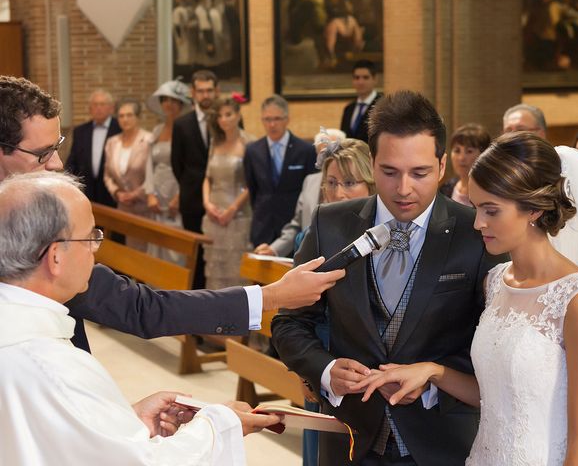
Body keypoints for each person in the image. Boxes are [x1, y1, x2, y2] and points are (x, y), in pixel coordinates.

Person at [0, 75, 345, 355]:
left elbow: (142, 307)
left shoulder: (43, 220)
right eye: (44, 153)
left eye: (58, 146)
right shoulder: (38, 230)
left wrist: (271, 296)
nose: (58, 163)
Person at [353, 133, 578, 465]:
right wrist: (432, 371)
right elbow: (497, 395)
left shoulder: (577, 299)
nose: (478, 223)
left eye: (491, 211)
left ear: (532, 209)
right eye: (476, 208)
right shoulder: (495, 282)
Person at [272, 90, 503, 465]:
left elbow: (494, 344)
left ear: (442, 166)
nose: (404, 188)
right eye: (390, 172)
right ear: (372, 162)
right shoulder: (330, 225)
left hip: (442, 442)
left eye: (420, 173)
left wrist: (434, 382)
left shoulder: (476, 234)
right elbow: (290, 322)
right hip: (350, 440)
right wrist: (326, 370)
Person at [0, 171, 282, 465]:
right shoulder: (53, 366)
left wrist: (126, 419)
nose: (95, 250)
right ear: (56, 257)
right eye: (90, 237)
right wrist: (220, 423)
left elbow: (52, 436)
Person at [300, 134, 376, 466]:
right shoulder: (317, 232)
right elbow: (300, 312)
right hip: (325, 356)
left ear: (371, 184)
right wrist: (306, 369)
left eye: (349, 182)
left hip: (369, 358)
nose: (338, 192)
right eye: (331, 183)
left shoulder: (386, 232)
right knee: (327, 449)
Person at [254, 128, 345, 258]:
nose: (327, 159)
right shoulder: (310, 181)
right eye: (322, 154)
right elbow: (297, 226)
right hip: (309, 260)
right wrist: (274, 249)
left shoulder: (352, 185)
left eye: (332, 153)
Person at [243, 95, 317, 247]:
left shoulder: (305, 150)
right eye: (267, 119)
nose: (272, 124)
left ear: (287, 119)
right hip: (263, 225)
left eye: (277, 119)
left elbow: (311, 190)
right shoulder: (252, 151)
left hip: (293, 226)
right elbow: (253, 189)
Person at [171, 69, 219, 288]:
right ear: (193, 93)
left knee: (219, 253)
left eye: (209, 90)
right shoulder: (182, 124)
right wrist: (192, 185)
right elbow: (176, 164)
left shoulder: (227, 117)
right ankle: (198, 300)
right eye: (201, 91)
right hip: (192, 200)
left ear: (216, 91)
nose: (205, 95)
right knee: (197, 257)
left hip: (221, 198)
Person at [201, 97, 256, 289]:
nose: (224, 120)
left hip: (238, 215)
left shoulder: (250, 142)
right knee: (216, 270)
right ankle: (214, 317)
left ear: (238, 115)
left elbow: (252, 183)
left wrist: (232, 209)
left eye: (228, 114)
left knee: (237, 270)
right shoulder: (215, 142)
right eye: (220, 116)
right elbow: (208, 177)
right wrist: (207, 204)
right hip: (214, 215)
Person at [144, 79, 192, 264]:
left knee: (177, 248)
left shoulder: (187, 131)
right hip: (158, 194)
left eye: (173, 100)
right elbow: (150, 164)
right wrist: (150, 194)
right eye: (164, 100)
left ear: (181, 104)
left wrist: (180, 197)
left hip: (177, 192)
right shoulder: (157, 131)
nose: (168, 105)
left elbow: (189, 167)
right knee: (158, 246)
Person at [103, 98, 152, 250]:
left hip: (145, 208)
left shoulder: (149, 140)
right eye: (121, 115)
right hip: (123, 208)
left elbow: (153, 176)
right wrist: (117, 192)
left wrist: (135, 194)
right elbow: (107, 175)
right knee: (127, 253)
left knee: (145, 254)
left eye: (129, 115)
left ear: (137, 117)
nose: (125, 119)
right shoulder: (112, 142)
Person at [65, 89, 121, 207]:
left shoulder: (120, 129)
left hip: (114, 193)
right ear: (90, 109)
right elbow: (72, 161)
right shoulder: (80, 131)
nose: (98, 108)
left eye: (102, 104)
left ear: (111, 108)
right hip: (87, 193)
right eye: (95, 105)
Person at [439, 123, 491, 206]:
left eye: (469, 151)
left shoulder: (492, 192)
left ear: (484, 154)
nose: (461, 158)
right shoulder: (446, 188)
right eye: (457, 151)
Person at [339, 59, 382, 143]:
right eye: (357, 78)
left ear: (375, 79)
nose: (360, 82)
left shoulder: (383, 106)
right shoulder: (348, 109)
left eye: (365, 77)